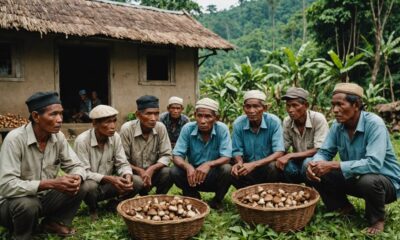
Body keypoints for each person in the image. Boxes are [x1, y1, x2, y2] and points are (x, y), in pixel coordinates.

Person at [304, 83, 400, 235]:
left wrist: (334, 165)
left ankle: (377, 220)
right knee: (310, 167)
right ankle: (342, 207)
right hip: (355, 177)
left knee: (368, 180)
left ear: (356, 105)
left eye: (340, 105)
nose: (335, 110)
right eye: (333, 105)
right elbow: (325, 152)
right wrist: (313, 163)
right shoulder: (337, 126)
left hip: (385, 183)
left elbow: (374, 164)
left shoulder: (374, 124)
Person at [0, 92, 87, 239]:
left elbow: (77, 165)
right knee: (28, 204)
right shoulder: (14, 140)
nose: (60, 119)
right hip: (12, 204)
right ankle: (22, 235)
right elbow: (7, 186)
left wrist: (77, 177)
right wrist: (49, 183)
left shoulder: (57, 137)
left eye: (61, 114)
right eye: (53, 114)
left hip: (42, 200)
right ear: (35, 116)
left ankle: (52, 223)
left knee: (82, 185)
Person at [74, 105, 133, 221]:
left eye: (114, 121)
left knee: (136, 182)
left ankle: (114, 203)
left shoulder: (115, 137)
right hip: (92, 186)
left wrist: (127, 175)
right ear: (95, 124)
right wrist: (109, 179)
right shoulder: (82, 141)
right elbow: (83, 172)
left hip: (108, 185)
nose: (113, 126)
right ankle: (93, 208)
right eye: (108, 122)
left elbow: (122, 162)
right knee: (89, 186)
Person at [171, 98, 232, 210]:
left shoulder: (222, 129)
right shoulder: (188, 129)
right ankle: (193, 197)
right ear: (195, 115)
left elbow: (227, 157)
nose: (203, 121)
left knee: (227, 169)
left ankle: (217, 200)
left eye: (208, 116)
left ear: (216, 118)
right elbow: (176, 156)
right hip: (193, 175)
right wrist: (187, 166)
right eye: (199, 116)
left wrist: (209, 164)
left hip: (214, 174)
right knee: (174, 171)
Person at [231, 90, 285, 189]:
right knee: (231, 167)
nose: (251, 111)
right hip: (247, 167)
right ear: (244, 108)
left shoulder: (273, 122)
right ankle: (246, 193)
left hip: (266, 166)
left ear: (264, 108)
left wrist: (254, 164)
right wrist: (239, 162)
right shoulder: (238, 123)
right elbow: (236, 150)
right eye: (248, 106)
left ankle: (269, 190)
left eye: (256, 106)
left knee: (273, 166)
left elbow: (279, 152)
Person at [120, 95, 173, 196]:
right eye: (148, 114)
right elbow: (122, 160)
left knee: (168, 172)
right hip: (133, 174)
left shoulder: (160, 127)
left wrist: (151, 169)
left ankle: (159, 198)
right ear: (138, 115)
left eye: (156, 113)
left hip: (153, 173)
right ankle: (123, 199)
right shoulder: (127, 129)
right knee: (135, 181)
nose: (153, 118)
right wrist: (139, 171)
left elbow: (166, 155)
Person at [276, 87, 329, 183]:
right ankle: (295, 190)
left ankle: (313, 189)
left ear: (306, 105)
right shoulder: (287, 121)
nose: (290, 110)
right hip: (298, 161)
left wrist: (290, 155)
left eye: (295, 105)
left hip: (317, 161)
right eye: (288, 106)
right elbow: (284, 147)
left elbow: (319, 149)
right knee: (283, 165)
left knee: (307, 163)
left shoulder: (318, 119)